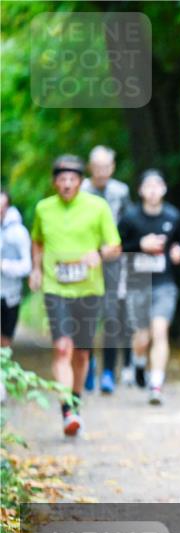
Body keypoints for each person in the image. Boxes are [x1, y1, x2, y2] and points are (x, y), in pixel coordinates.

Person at [29, 155, 121, 436]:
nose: (67, 184)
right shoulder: (44, 208)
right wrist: (36, 269)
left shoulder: (98, 207)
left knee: (81, 354)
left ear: (81, 182)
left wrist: (99, 253)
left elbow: (115, 245)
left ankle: (76, 403)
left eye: (72, 179)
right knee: (62, 348)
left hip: (89, 289)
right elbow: (37, 240)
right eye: (62, 179)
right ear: (54, 182)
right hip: (56, 288)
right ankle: (67, 410)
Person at [118, 169, 180, 405]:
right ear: (140, 190)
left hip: (163, 283)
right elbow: (116, 247)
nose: (153, 191)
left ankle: (156, 384)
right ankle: (139, 364)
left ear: (164, 189)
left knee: (160, 331)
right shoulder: (130, 218)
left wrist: (179, 249)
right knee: (141, 337)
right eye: (148, 186)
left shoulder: (173, 216)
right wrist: (140, 244)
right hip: (137, 282)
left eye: (157, 185)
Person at [81, 145, 132, 394]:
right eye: (97, 167)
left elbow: (130, 223)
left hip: (114, 260)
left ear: (112, 168)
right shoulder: (80, 190)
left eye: (106, 167)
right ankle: (88, 365)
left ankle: (109, 371)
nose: (101, 171)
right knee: (87, 314)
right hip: (85, 259)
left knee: (112, 315)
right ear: (90, 167)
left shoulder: (121, 191)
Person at [1, 190, 32, 349]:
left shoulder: (19, 232)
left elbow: (27, 266)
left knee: (5, 342)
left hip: (10, 295)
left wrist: (4, 265)